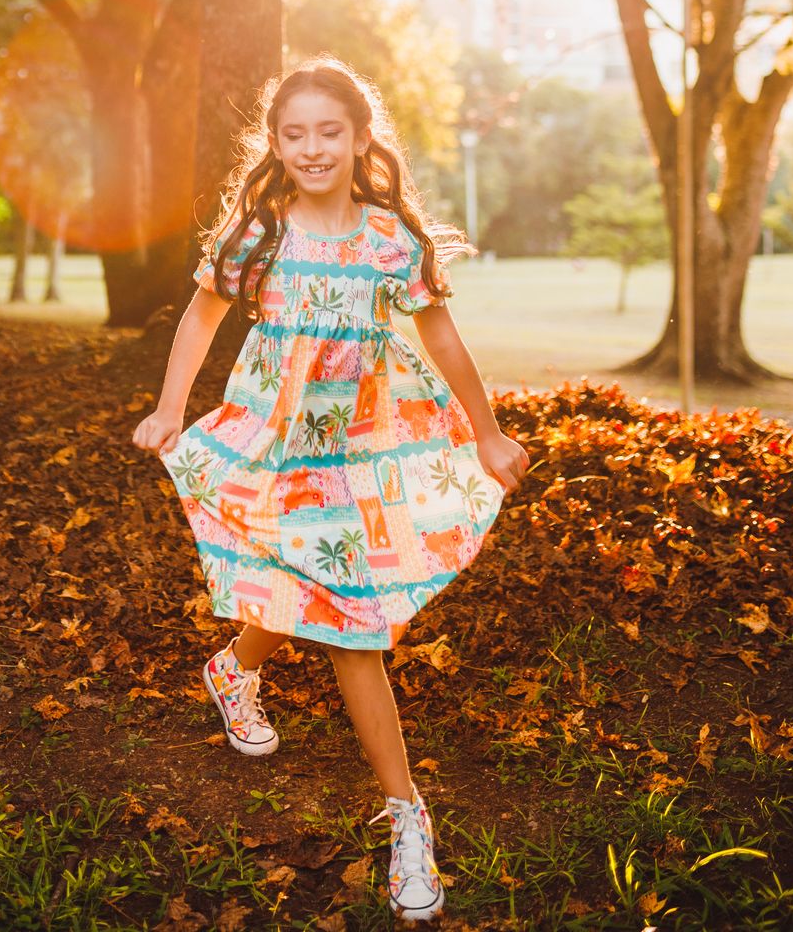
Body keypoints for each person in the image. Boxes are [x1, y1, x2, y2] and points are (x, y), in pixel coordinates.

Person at [133, 59, 529, 922]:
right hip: (276, 446)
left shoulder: (393, 240)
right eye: (293, 133)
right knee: (326, 608)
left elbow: (445, 340)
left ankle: (390, 806)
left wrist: (489, 430)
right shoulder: (261, 232)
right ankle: (391, 798)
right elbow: (202, 313)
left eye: (329, 131)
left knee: (347, 622)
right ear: (273, 145)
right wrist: (170, 408)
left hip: (364, 451)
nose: (312, 148)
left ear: (359, 137)